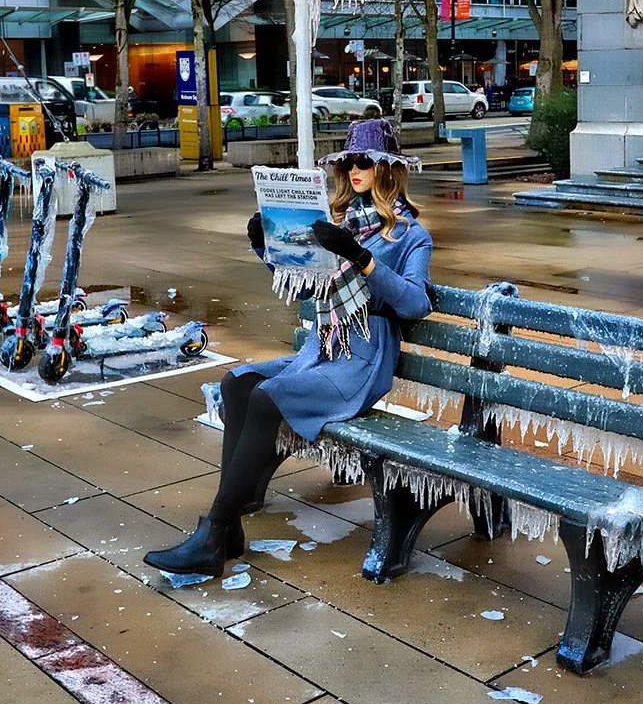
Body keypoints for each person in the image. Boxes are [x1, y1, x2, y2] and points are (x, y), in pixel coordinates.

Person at [146, 118, 433, 575]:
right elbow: (307, 289)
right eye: (349, 162)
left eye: (365, 161)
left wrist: (363, 260)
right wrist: (267, 246)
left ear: (388, 170)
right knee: (237, 382)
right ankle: (233, 523)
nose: (354, 169)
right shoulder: (337, 222)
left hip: (362, 360)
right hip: (322, 348)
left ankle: (216, 530)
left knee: (267, 396)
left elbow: (417, 304)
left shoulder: (410, 236)